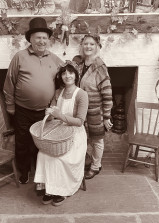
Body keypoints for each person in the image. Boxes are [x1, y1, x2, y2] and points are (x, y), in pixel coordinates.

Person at [3, 17, 63, 184]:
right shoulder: (19, 57)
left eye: (45, 38)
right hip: (22, 110)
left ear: (48, 40)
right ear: (30, 39)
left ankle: (40, 172)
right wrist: (10, 106)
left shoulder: (55, 59)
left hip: (45, 112)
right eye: (38, 37)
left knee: (42, 143)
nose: (41, 41)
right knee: (22, 142)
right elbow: (9, 82)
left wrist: (55, 103)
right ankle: (24, 171)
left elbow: (65, 79)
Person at [34, 60, 88, 206]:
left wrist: (59, 115)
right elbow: (52, 115)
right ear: (61, 77)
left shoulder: (82, 95)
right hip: (59, 131)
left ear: (76, 75)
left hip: (75, 135)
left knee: (60, 157)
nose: (67, 75)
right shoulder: (58, 92)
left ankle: (61, 190)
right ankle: (49, 188)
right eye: (64, 73)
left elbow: (79, 121)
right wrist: (50, 113)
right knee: (43, 153)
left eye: (70, 72)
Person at [73, 34, 113, 180]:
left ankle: (96, 166)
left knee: (97, 139)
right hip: (80, 110)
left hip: (96, 111)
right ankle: (88, 160)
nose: (88, 47)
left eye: (91, 44)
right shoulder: (78, 63)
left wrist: (107, 115)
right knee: (81, 138)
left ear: (97, 47)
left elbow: (107, 93)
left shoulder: (100, 67)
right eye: (85, 44)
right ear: (82, 46)